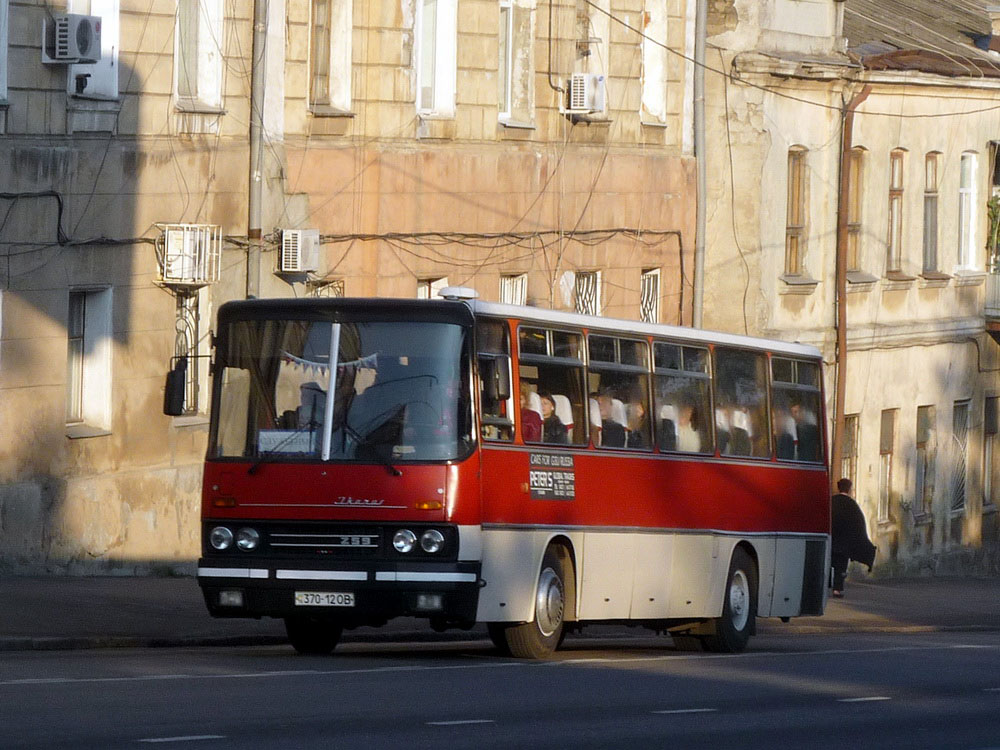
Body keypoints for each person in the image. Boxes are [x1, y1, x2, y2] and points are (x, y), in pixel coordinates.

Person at [831, 478, 877, 597]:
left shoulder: (831, 501)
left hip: (831, 539)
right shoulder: (852, 505)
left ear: (838, 487)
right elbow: (858, 524)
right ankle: (837, 589)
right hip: (844, 543)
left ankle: (822, 587)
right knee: (840, 567)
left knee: (829, 563)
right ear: (849, 489)